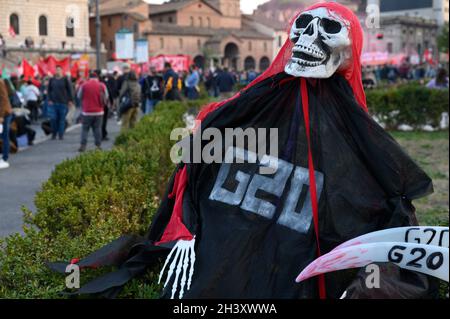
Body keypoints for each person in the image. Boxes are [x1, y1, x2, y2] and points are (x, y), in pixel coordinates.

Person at [77, 70, 108, 152]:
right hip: (99, 111)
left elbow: (79, 96)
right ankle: (98, 146)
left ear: (89, 77)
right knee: (97, 129)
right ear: (97, 78)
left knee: (85, 129)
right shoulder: (102, 85)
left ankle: (83, 145)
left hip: (86, 112)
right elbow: (106, 96)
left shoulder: (84, 85)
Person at [48, 65, 74, 140]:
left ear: (62, 71)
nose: (57, 71)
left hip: (63, 103)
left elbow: (70, 90)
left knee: (61, 120)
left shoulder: (65, 79)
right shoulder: (52, 79)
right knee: (53, 119)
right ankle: (53, 134)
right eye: (56, 70)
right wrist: (49, 99)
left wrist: (70, 100)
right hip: (53, 103)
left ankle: (61, 135)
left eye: (59, 70)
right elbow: (49, 90)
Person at [0, 78, 13, 169]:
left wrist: (1, 116)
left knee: (5, 136)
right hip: (4, 113)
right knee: (4, 135)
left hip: (4, 113)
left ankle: (5, 157)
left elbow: (3, 99)